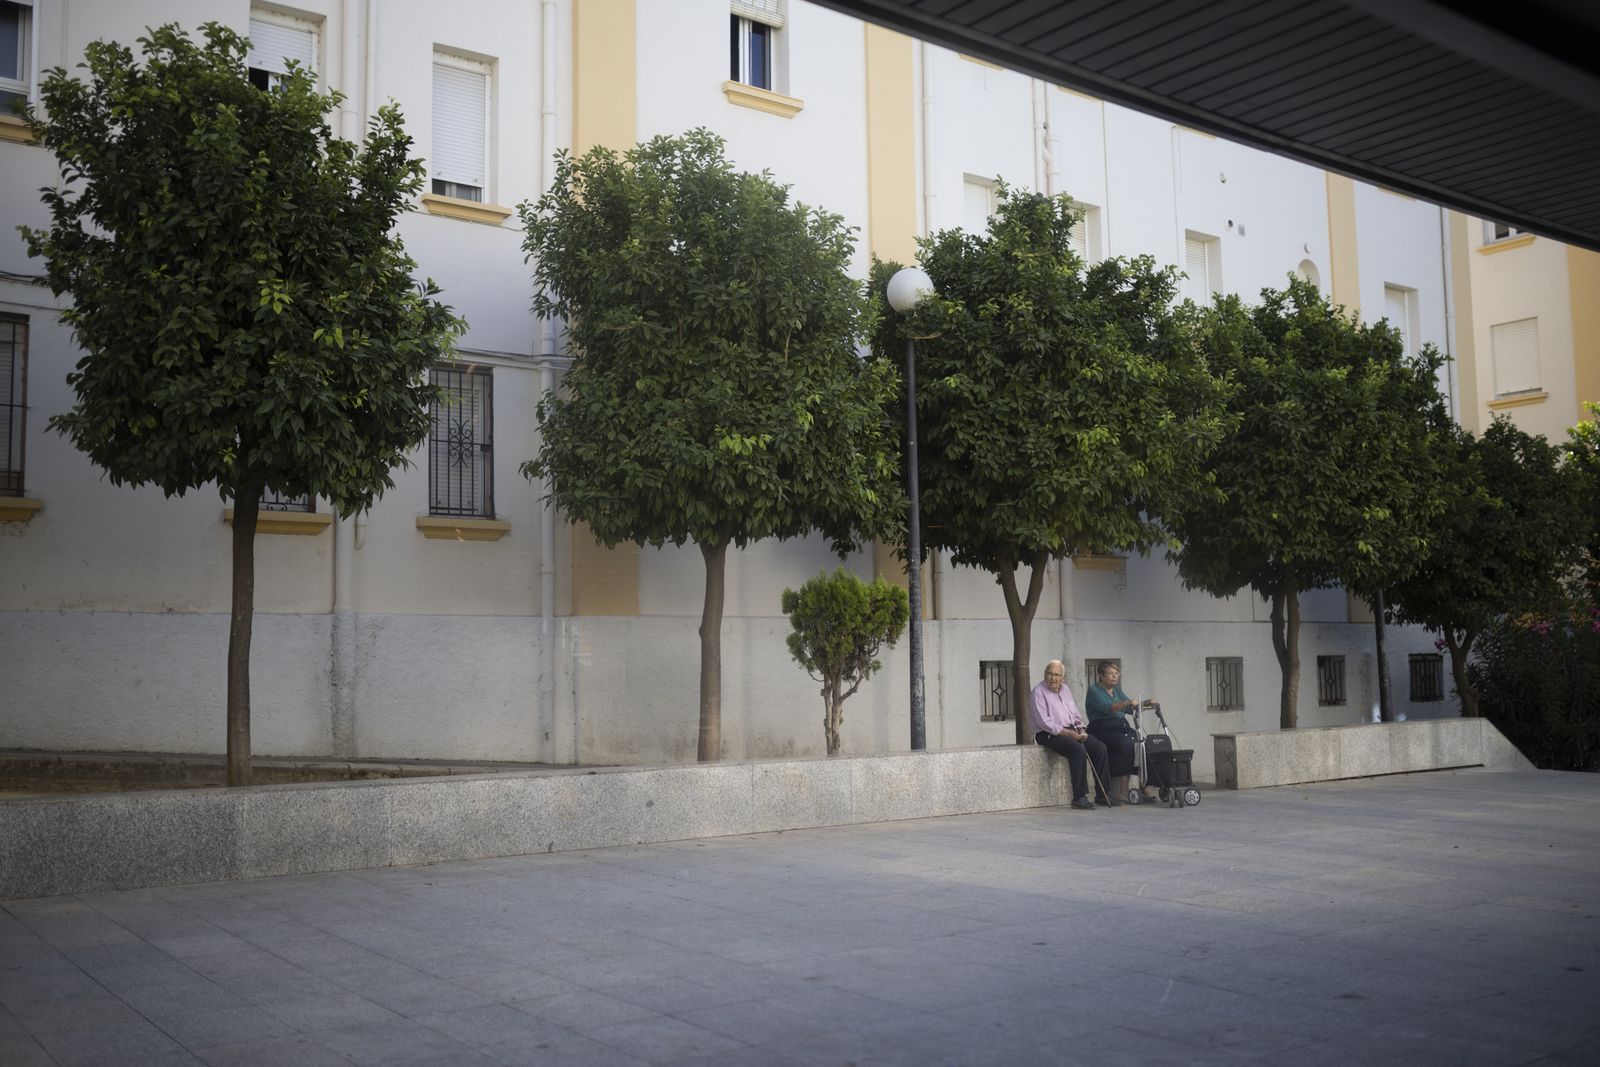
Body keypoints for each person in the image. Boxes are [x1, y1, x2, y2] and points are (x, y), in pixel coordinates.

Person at [1031, 660, 1111, 810]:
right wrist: (1068, 733)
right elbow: (1044, 722)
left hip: (1071, 730)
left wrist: (1081, 730)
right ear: (1044, 674)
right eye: (1049, 674)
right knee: (1078, 750)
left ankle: (1103, 794)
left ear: (1063, 677)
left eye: (1057, 675)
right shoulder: (1038, 692)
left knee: (1099, 747)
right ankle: (1079, 797)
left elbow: (1074, 714)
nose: (1053, 678)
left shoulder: (1065, 689)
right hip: (1048, 733)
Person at [1084, 660, 1149, 803]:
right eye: (1110, 673)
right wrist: (1127, 703)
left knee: (1142, 743)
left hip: (1120, 727)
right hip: (1102, 728)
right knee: (1126, 743)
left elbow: (1130, 709)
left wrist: (1145, 704)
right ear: (1101, 675)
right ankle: (1123, 792)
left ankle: (1143, 785)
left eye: (1116, 673)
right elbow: (1109, 708)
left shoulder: (1117, 691)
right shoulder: (1094, 690)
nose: (1114, 676)